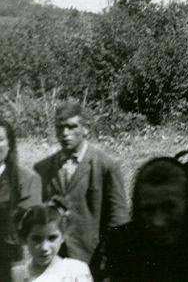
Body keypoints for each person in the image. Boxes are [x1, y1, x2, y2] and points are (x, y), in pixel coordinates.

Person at [34, 101, 128, 263]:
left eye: (71, 127)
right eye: (60, 127)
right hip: (54, 259)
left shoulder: (105, 166)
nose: (65, 133)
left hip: (93, 259)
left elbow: (119, 218)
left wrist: (108, 256)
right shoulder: (42, 169)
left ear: (85, 129)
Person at [0, 119, 41, 280]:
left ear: (9, 145)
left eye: (0, 140)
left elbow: (27, 228)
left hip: (8, 263)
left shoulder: (26, 179)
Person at [12, 202, 92, 282]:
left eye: (52, 238)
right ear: (25, 238)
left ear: (63, 236)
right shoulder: (17, 274)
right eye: (36, 239)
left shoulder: (76, 271)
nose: (44, 247)